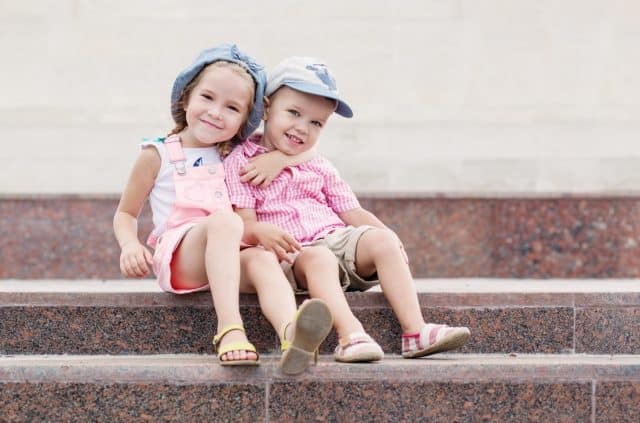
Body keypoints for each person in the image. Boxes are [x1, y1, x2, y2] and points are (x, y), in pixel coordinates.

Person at [224, 56, 471, 363]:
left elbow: (351, 212)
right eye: (294, 113)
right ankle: (350, 335)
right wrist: (261, 230)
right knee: (320, 257)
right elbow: (243, 224)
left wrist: (387, 237)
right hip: (296, 253)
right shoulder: (242, 161)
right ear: (267, 106)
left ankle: (415, 331)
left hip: (337, 240)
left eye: (316, 123)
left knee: (381, 240)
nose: (303, 128)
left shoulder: (318, 164)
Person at [113, 44, 332, 374]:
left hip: (228, 253)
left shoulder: (237, 152)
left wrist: (279, 157)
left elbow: (305, 151)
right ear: (186, 98)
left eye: (232, 107)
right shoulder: (156, 154)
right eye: (207, 98)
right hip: (181, 257)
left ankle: (293, 334)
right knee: (226, 222)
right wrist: (130, 245)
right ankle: (230, 328)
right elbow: (125, 213)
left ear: (245, 120)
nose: (216, 112)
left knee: (260, 258)